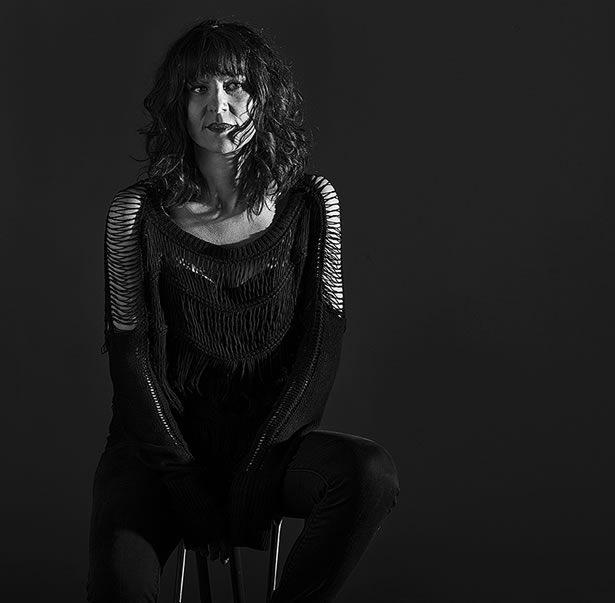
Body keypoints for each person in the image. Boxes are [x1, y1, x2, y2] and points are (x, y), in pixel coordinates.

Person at [86, 19, 400, 603]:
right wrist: (188, 488)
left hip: (267, 449)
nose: (218, 105)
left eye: (234, 85)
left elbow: (320, 353)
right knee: (119, 587)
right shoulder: (134, 216)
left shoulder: (312, 204)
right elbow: (131, 368)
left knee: (369, 473)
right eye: (198, 88)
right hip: (159, 453)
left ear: (263, 97)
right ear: (177, 105)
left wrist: (258, 470)